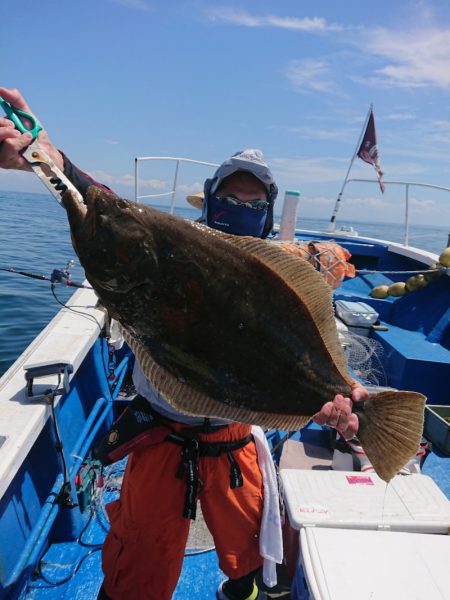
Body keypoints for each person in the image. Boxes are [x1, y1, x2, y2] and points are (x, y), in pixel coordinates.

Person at [0, 87, 368, 600]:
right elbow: (98, 202)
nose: (241, 206)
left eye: (254, 201)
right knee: (138, 565)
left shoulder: (276, 270)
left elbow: (307, 350)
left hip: (235, 434)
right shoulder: (170, 242)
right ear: (210, 196)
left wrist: (341, 399)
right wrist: (45, 156)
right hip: (161, 435)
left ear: (268, 210)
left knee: (255, 561)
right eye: (231, 196)